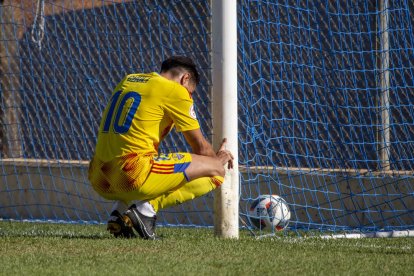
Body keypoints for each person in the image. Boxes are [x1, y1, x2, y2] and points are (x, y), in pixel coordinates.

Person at [88, 56, 234, 239]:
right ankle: (146, 211)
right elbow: (200, 147)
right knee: (216, 172)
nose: (189, 97)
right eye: (191, 92)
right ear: (185, 79)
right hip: (132, 175)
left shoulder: (129, 79)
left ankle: (119, 214)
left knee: (143, 160)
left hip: (98, 178)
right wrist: (217, 160)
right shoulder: (175, 91)